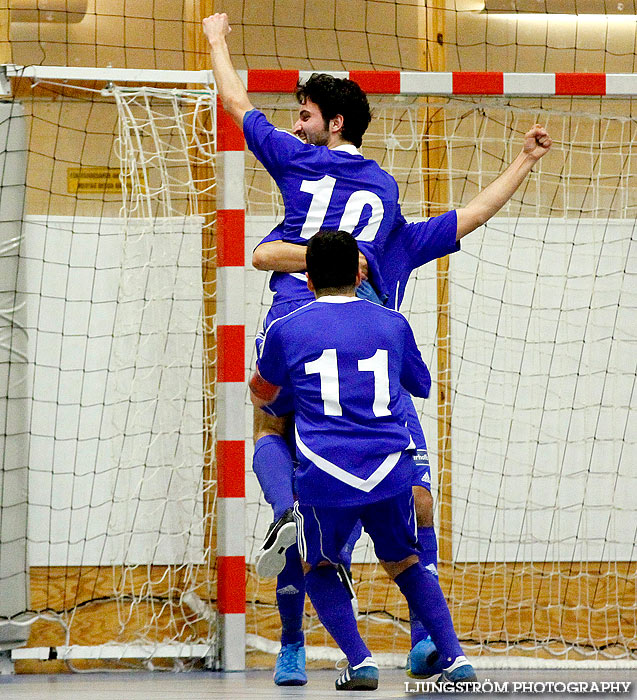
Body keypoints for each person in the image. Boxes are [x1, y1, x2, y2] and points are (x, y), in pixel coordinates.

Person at [203, 11, 552, 686]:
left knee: (280, 459)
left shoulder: (296, 161)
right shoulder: (387, 210)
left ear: (331, 123)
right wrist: (521, 160)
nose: (296, 121)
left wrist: (217, 40)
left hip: (295, 333)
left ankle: (300, 633)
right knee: (415, 504)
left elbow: (237, 103)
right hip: (374, 367)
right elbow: (469, 217)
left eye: (303, 113)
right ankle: (433, 643)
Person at [249, 229, 478, 691]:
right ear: (359, 273)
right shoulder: (392, 323)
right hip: (389, 467)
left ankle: (360, 661)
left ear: (307, 278)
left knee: (320, 566)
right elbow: (421, 384)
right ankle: (455, 659)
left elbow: (264, 396)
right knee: (406, 563)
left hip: (325, 473)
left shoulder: (285, 328)